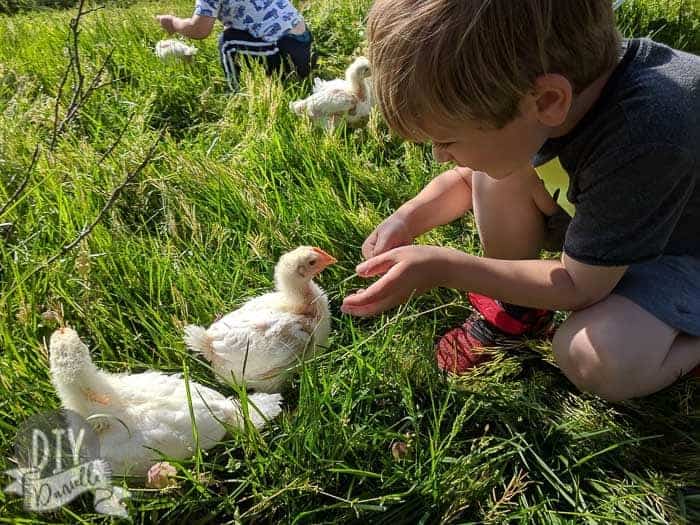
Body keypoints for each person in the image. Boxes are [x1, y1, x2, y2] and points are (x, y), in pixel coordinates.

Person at [340, 0, 700, 401]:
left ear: (547, 101)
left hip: (686, 252)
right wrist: (408, 218)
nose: (440, 156)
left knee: (597, 357)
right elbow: (466, 178)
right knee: (498, 174)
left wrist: (444, 267)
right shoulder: (559, 89)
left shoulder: (645, 132)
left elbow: (580, 287)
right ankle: (521, 306)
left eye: (448, 140)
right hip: (643, 217)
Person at [157, 0, 312, 89]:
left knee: (228, 42)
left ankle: (236, 90)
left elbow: (199, 30)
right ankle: (294, 72)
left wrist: (173, 23)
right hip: (303, 43)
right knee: (236, 33)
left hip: (284, 54)